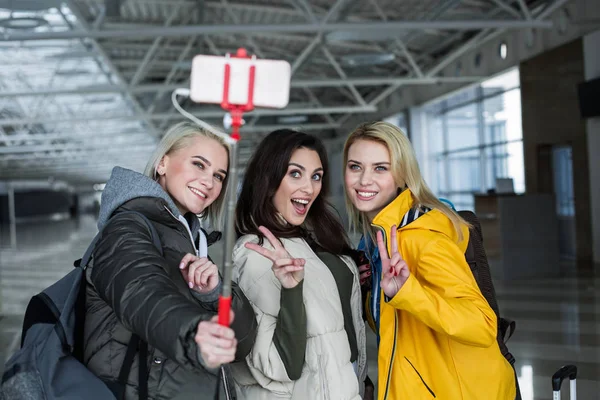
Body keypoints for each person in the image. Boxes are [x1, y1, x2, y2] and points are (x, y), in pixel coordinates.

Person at [83, 122, 257, 400]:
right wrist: (193, 332)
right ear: (162, 163)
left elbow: (243, 342)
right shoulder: (127, 227)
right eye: (199, 165)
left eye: (219, 175)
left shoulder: (192, 241)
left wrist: (213, 295)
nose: (209, 182)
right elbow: (139, 292)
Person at [343, 121, 516, 400]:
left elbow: (482, 324)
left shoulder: (422, 239)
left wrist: (408, 292)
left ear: (402, 175)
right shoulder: (377, 243)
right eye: (355, 167)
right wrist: (367, 293)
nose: (364, 180)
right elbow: (399, 325)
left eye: (380, 168)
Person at [230, 129, 367, 400]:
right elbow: (280, 365)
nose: (309, 187)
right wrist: (291, 290)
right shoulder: (257, 253)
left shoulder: (307, 235)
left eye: (316, 176)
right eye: (295, 173)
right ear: (268, 180)